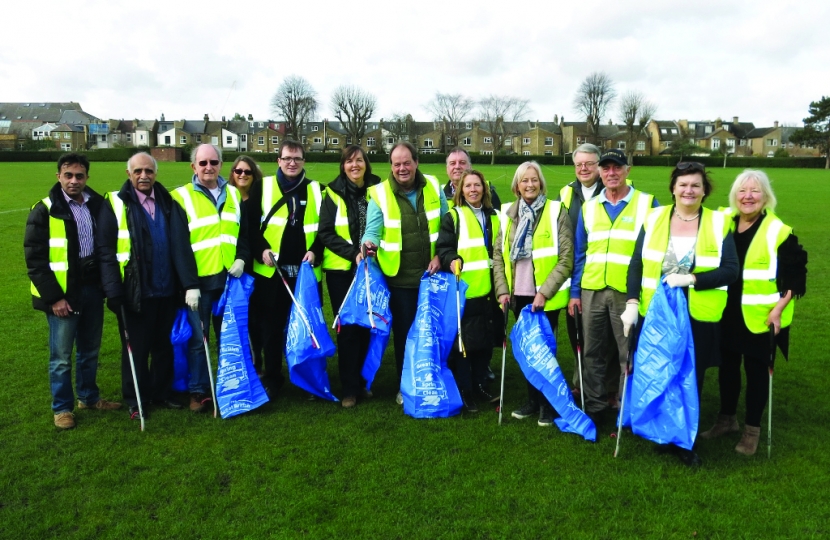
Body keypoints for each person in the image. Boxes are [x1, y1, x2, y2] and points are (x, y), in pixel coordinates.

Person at [625, 161, 739, 467]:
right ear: (673, 188)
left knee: (690, 375)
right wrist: (632, 303)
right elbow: (637, 263)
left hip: (697, 312)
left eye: (696, 185)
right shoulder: (654, 217)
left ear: (705, 191)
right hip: (656, 310)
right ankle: (663, 431)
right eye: (683, 184)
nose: (689, 190)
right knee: (660, 369)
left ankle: (685, 440)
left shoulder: (717, 223)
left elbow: (731, 270)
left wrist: (693, 280)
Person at [700, 169, 806, 456]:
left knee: (757, 373)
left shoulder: (778, 231)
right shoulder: (722, 221)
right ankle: (726, 420)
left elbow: (796, 277)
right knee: (727, 369)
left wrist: (778, 311)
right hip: (726, 311)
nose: (748, 196)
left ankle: (751, 431)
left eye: (755, 191)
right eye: (742, 191)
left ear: (765, 196)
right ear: (735, 195)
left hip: (762, 316)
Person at [98, 152, 200, 420]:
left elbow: (181, 245)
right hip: (135, 292)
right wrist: (113, 290)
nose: (144, 176)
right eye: (138, 171)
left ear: (156, 173)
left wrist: (187, 284)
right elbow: (106, 252)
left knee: (163, 346)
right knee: (136, 349)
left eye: (149, 171)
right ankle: (135, 399)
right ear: (129, 174)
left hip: (167, 290)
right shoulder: (116, 203)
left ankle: (161, 393)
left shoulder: (168, 202)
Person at [24, 153, 121, 429]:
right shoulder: (44, 209)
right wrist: (54, 298)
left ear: (87, 177)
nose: (74, 181)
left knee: (90, 350)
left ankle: (89, 397)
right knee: (61, 358)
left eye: (79, 176)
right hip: (63, 295)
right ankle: (62, 408)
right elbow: (35, 259)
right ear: (58, 176)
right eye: (68, 175)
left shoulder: (98, 205)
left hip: (92, 289)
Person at [568, 148, 658, 424]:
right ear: (600, 172)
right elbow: (580, 253)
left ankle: (624, 407)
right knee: (593, 351)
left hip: (627, 294)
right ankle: (594, 405)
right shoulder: (589, 207)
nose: (611, 173)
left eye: (617, 167)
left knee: (627, 352)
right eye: (605, 168)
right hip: (592, 289)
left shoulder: (647, 204)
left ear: (627, 170)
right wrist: (574, 292)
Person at [362, 141, 449, 404]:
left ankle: (435, 379)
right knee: (405, 335)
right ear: (391, 166)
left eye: (406, 162)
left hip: (434, 277)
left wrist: (439, 255)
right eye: (396, 163)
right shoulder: (379, 193)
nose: (402, 168)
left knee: (436, 331)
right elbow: (372, 231)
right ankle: (405, 384)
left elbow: (447, 225)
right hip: (400, 280)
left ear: (416, 162)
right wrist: (367, 244)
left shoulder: (434, 185)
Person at [171, 143, 250, 413]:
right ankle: (198, 392)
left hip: (229, 280)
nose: (208, 168)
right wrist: (189, 285)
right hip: (199, 284)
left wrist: (242, 257)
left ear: (220, 165)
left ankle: (231, 387)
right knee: (198, 341)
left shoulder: (234, 194)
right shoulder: (180, 197)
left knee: (230, 339)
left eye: (213, 162)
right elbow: (179, 247)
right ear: (193, 166)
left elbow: (243, 233)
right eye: (203, 163)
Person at [493, 161, 573, 426]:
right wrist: (502, 291)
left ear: (541, 183)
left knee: (545, 352)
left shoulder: (555, 210)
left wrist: (545, 294)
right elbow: (498, 256)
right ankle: (532, 400)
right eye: (524, 180)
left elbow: (565, 258)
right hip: (518, 294)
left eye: (534, 180)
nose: (529, 185)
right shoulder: (507, 213)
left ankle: (548, 405)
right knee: (527, 350)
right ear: (517, 185)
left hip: (544, 297)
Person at [247, 140, 324, 397]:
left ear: (304, 162)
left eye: (297, 158)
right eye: (287, 158)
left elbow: (325, 230)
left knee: (306, 326)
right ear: (278, 160)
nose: (292, 163)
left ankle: (307, 378)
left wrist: (316, 250)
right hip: (271, 273)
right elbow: (248, 227)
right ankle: (272, 377)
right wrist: (262, 250)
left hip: (305, 274)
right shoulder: (262, 187)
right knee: (270, 328)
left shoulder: (317, 190)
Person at [318, 145, 382, 408]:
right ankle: (349, 388)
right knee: (348, 330)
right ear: (342, 166)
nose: (354, 165)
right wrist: (352, 253)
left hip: (375, 268)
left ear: (366, 163)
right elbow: (326, 232)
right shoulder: (332, 192)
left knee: (368, 326)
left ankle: (364, 381)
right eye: (348, 161)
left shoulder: (379, 189)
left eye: (359, 160)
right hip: (342, 271)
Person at [556, 143, 618, 405]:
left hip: (609, 276)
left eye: (590, 163)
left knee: (611, 341)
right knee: (579, 336)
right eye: (579, 164)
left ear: (599, 165)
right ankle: (581, 384)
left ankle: (612, 389)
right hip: (575, 273)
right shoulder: (567, 193)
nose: (584, 168)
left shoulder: (614, 189)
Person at [436, 169, 502, 413]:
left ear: (484, 189)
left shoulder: (496, 217)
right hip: (464, 292)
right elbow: (443, 248)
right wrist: (451, 258)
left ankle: (481, 385)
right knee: (463, 346)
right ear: (460, 190)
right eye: (468, 186)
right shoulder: (452, 217)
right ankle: (465, 390)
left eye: (477, 185)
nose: (473, 189)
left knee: (485, 343)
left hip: (491, 291)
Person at [228, 155, 265, 374]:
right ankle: (241, 362)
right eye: (238, 171)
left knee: (257, 318)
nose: (242, 175)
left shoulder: (260, 198)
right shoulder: (226, 199)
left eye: (247, 172)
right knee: (238, 317)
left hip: (257, 265)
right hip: (234, 266)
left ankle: (257, 362)